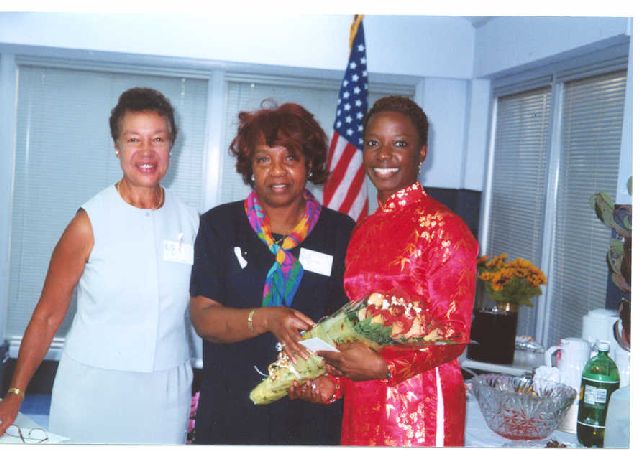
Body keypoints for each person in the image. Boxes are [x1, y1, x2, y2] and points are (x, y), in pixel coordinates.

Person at [0, 87, 199, 443]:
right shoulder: (88, 222)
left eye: (157, 138)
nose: (147, 152)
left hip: (166, 392)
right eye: (133, 139)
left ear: (171, 145)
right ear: (117, 147)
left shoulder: (191, 222)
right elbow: (47, 315)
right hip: (92, 389)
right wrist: (15, 394)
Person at [290, 96, 478, 446]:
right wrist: (335, 380)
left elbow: (452, 334)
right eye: (374, 143)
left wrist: (384, 366)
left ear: (422, 153)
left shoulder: (444, 227)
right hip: (364, 398)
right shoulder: (364, 229)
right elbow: (358, 326)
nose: (384, 155)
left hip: (419, 406)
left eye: (400, 144)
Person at [189, 102, 354, 445]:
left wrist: (329, 379)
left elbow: (348, 326)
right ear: (250, 167)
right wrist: (268, 319)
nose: (277, 171)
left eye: (290, 157)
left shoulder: (340, 232)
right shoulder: (220, 225)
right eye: (264, 159)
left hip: (308, 414)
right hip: (231, 411)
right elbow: (204, 318)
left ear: (309, 164)